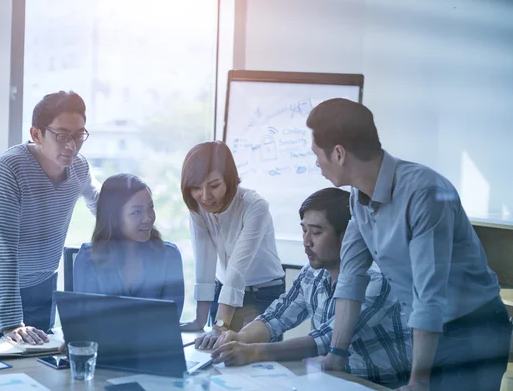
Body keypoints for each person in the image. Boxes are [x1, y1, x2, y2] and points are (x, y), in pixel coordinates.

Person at [307, 98, 510, 391]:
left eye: (317, 154)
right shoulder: (358, 197)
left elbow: (430, 293)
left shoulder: (424, 192)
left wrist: (418, 381)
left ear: (338, 153)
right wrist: (336, 353)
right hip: (426, 331)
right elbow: (351, 277)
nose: (315, 163)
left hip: (472, 330)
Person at [211, 188, 411, 387]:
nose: (306, 242)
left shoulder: (376, 280)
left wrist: (253, 352)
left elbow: (325, 339)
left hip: (380, 385)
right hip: (335, 380)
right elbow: (277, 316)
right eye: (304, 230)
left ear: (347, 237)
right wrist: (239, 337)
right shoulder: (312, 272)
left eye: (316, 232)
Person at [0, 91, 100, 344]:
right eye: (61, 135)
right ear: (36, 134)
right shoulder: (10, 168)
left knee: (39, 365)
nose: (72, 145)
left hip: (41, 284)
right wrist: (12, 323)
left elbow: (101, 204)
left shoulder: (80, 167)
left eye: (79, 135)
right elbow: (0, 250)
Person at [179, 141, 285, 349]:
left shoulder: (255, 205)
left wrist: (220, 325)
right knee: (215, 356)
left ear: (229, 179)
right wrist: (200, 320)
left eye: (214, 185)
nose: (205, 196)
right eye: (196, 188)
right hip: (222, 292)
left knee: (250, 359)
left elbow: (237, 268)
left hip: (263, 292)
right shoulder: (198, 207)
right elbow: (204, 261)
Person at [73, 174, 184, 318]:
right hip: (104, 340)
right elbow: (85, 319)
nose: (148, 218)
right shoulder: (88, 259)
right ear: (113, 217)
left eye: (150, 208)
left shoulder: (169, 255)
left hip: (154, 340)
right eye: (136, 212)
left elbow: (171, 317)